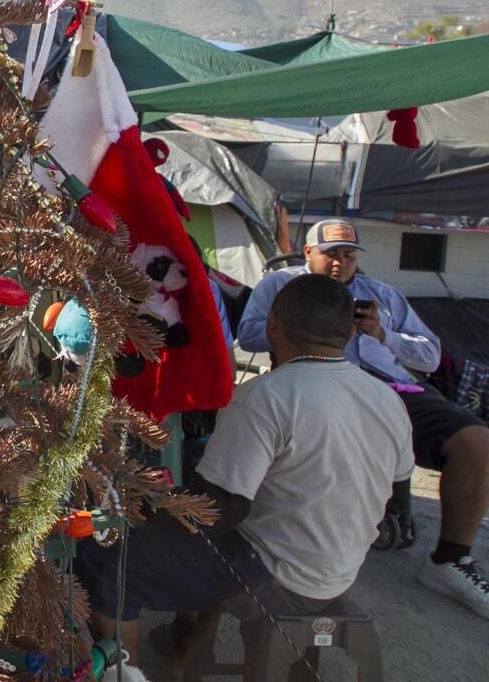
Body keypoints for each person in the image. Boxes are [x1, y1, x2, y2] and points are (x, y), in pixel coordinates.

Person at [77, 273, 412, 666]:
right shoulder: (387, 399)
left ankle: (126, 674)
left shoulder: (266, 396)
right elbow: (399, 499)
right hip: (340, 568)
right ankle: (187, 640)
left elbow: (218, 512)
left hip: (277, 574)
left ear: (273, 324)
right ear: (349, 333)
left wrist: (138, 507)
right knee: (186, 540)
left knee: (107, 560)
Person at [238, 219, 489, 619]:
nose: (340, 264)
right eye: (331, 254)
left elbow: (430, 354)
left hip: (389, 386)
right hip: (313, 377)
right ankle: (289, 541)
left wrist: (382, 333)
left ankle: (451, 560)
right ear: (308, 253)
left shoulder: (381, 295)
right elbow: (247, 336)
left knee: (475, 441)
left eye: (349, 255)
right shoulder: (281, 285)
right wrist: (306, 324)